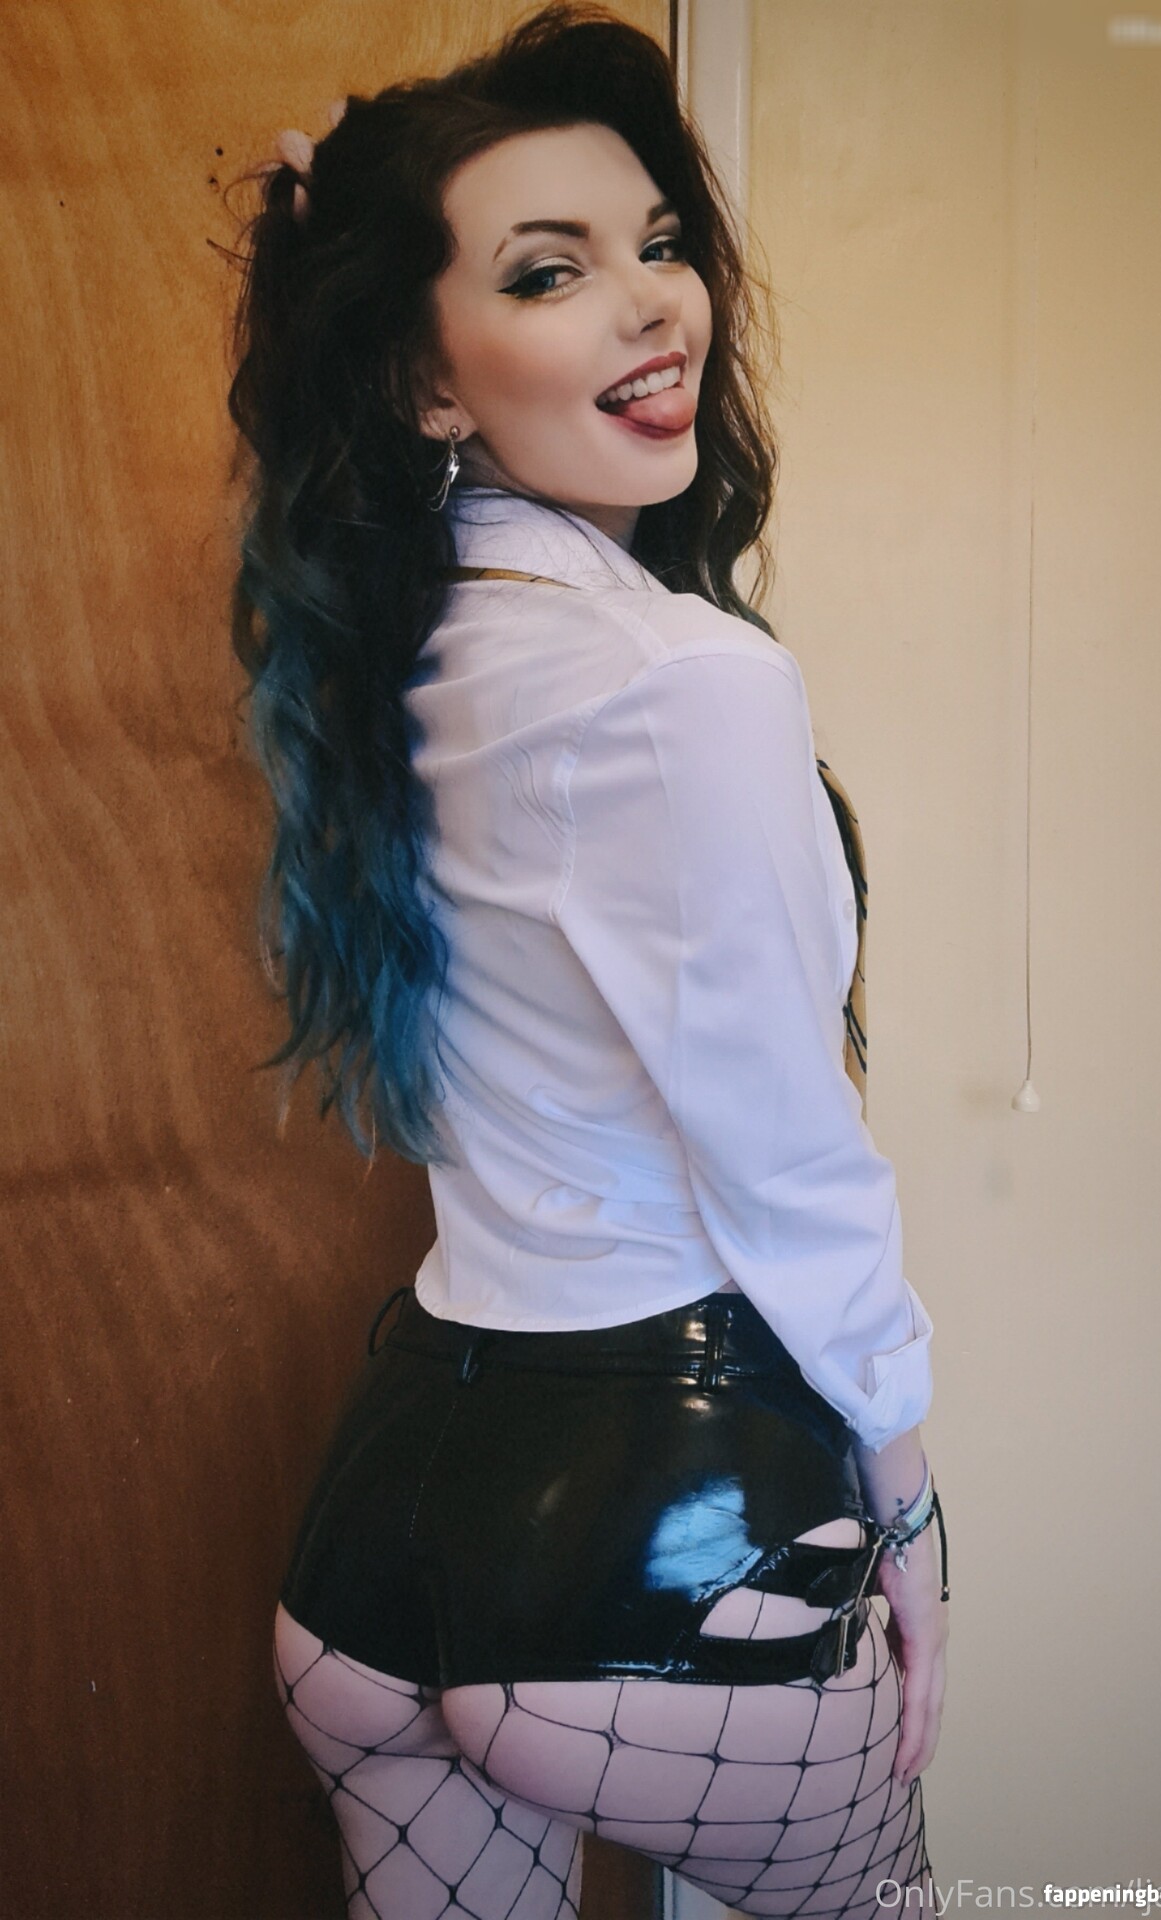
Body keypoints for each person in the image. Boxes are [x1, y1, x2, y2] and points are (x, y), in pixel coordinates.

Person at [227, 6, 949, 1916]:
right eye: (549, 272)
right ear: (425, 377)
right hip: (662, 1500)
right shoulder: (682, 677)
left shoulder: (386, 656)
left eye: (658, 243)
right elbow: (785, 1155)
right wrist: (907, 1509)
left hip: (381, 1528)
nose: (654, 306)